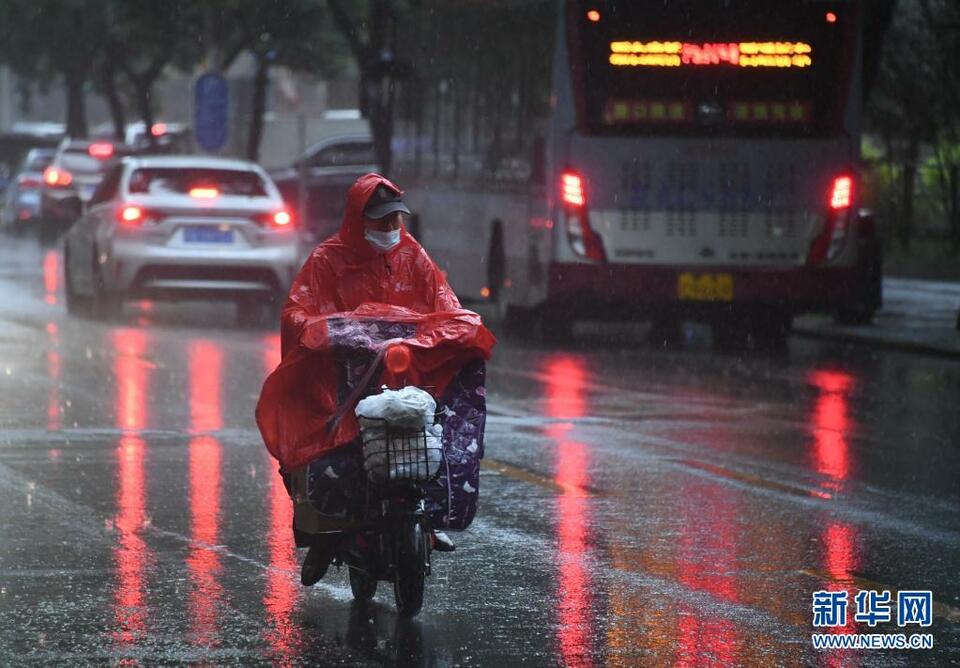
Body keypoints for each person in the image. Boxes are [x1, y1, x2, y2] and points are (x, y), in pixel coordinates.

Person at [275, 173, 462, 585]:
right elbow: (298, 311)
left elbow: (447, 307)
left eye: (394, 221)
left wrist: (455, 329)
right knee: (321, 450)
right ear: (358, 221)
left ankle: (428, 518)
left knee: (436, 435)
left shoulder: (414, 257)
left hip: (405, 373)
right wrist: (322, 331)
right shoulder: (328, 260)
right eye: (380, 222)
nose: (389, 230)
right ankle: (324, 534)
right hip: (344, 377)